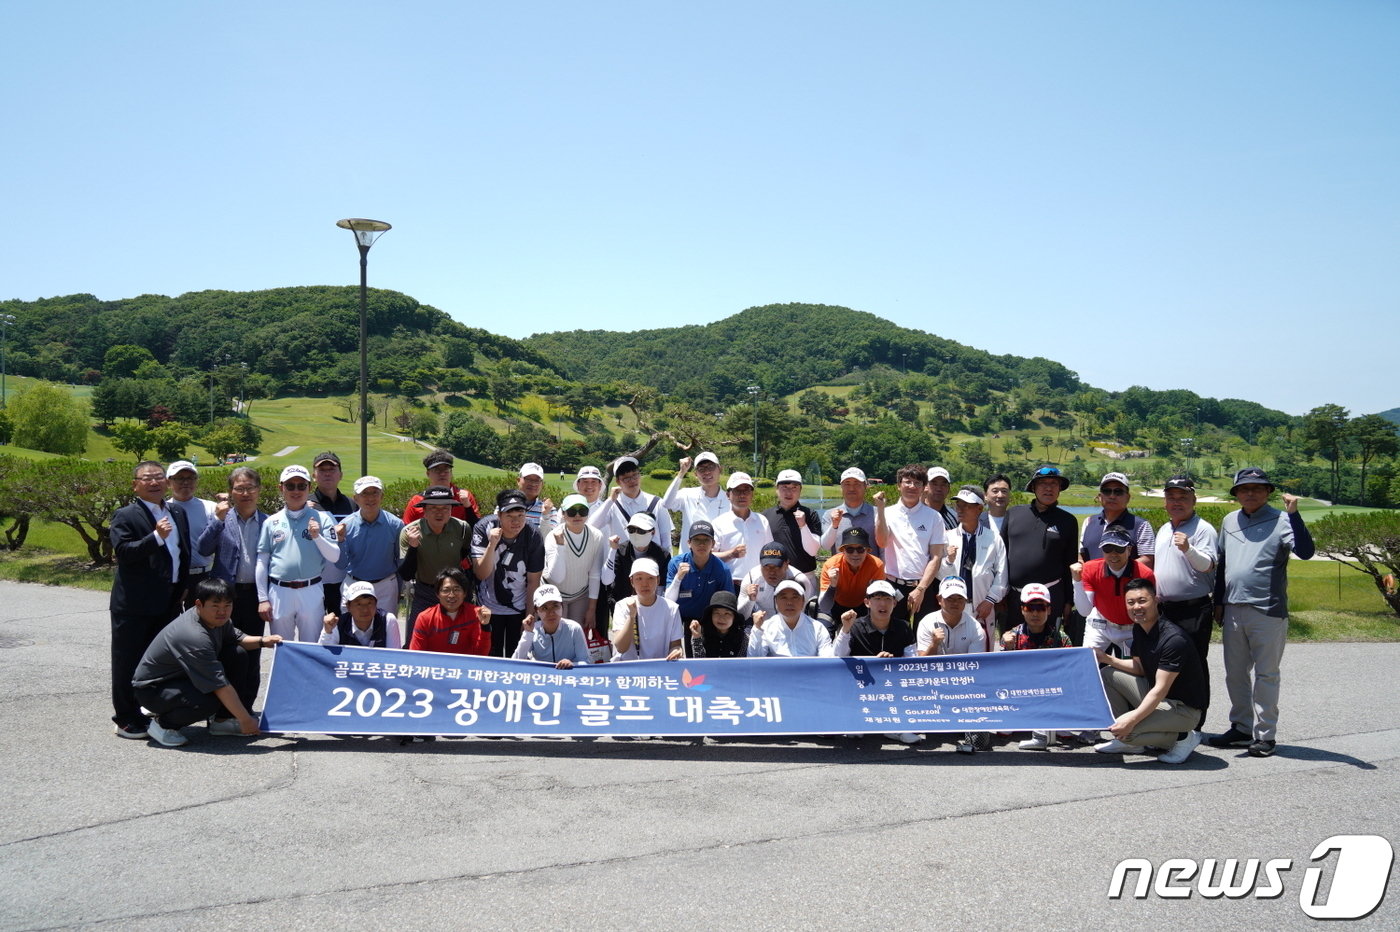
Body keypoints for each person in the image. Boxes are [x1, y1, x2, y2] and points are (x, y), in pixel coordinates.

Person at [1207, 467, 1315, 758]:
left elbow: (1305, 552)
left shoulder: (1282, 520)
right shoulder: (1229, 520)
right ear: (1237, 494)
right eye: (1244, 488)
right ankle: (1241, 728)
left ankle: (1265, 735)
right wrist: (1218, 603)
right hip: (1232, 608)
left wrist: (1293, 514)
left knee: (1266, 674)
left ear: (1268, 492)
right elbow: (1223, 564)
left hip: (1267, 609)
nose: (1250, 493)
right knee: (1235, 674)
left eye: (1257, 488)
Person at [132, 577, 282, 747]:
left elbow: (237, 637)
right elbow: (219, 685)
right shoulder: (194, 636)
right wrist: (245, 719)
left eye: (227, 605)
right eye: (215, 605)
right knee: (209, 702)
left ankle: (222, 721)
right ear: (199, 604)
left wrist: (264, 641)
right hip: (153, 689)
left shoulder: (217, 620)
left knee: (237, 653)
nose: (222, 611)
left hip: (183, 678)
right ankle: (163, 725)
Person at [109, 460, 191, 739]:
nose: (154, 482)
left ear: (166, 482)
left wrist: (182, 587)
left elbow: (182, 552)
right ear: (135, 485)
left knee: (159, 661)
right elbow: (124, 552)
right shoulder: (126, 515)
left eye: (158, 477)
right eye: (147, 478)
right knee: (127, 661)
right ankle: (125, 718)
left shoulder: (176, 512)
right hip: (134, 604)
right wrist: (156, 537)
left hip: (169, 600)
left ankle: (152, 709)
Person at [1093, 578, 1206, 764]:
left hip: (1184, 709)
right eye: (1131, 602)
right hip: (1162, 699)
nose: (1136, 607)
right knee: (1108, 673)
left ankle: (1184, 738)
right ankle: (1132, 742)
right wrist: (1107, 659)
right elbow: (1139, 668)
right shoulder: (1140, 628)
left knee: (1126, 732)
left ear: (1156, 600)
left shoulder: (1174, 639)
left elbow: (1160, 689)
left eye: (1142, 600)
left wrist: (1131, 720)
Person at [196, 466, 268, 705]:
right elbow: (203, 549)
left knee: (253, 652)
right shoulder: (221, 519)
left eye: (250, 488)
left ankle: (246, 708)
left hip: (255, 597)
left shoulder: (268, 522)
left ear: (259, 490)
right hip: (225, 598)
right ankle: (222, 710)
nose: (245, 493)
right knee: (225, 652)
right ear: (231, 492)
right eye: (239, 488)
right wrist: (217, 520)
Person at [1153, 475, 1218, 730]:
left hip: (1193, 609)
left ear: (1194, 500)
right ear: (1165, 502)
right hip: (1165, 610)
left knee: (1194, 668)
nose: (1176, 502)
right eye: (1171, 497)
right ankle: (1173, 722)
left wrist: (1188, 549)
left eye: (1183, 497)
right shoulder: (1164, 529)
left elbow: (1208, 565)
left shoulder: (1203, 529)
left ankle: (1196, 726)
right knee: (1168, 667)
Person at [256, 465, 341, 642]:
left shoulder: (323, 518)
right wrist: (263, 598)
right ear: (281, 488)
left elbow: (334, 556)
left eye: (301, 486)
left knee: (311, 646)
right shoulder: (271, 522)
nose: (296, 491)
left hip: (311, 590)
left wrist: (317, 537)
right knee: (281, 645)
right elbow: (262, 562)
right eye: (290, 486)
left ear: (309, 488)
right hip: (279, 591)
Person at [838, 579, 920, 744]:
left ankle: (900, 726)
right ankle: (857, 721)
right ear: (867, 602)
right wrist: (845, 630)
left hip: (892, 682)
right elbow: (837, 657)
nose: (883, 604)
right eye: (877, 599)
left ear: (895, 603)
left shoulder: (904, 627)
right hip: (862, 684)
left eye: (888, 599)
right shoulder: (855, 626)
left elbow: (912, 663)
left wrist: (892, 665)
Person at [1000, 465, 1078, 639]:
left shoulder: (1068, 521)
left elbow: (1070, 564)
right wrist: (1000, 594)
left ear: (1059, 489)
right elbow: (1000, 557)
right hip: (1015, 597)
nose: (1048, 488)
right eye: (1043, 483)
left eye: (1054, 483)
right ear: (1033, 487)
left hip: (1051, 598)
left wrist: (1068, 602)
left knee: (1050, 648)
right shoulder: (1013, 514)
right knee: (1012, 644)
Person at [916, 577, 991, 753]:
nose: (955, 603)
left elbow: (976, 669)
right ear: (939, 598)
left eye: (959, 599)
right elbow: (921, 665)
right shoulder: (927, 622)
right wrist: (934, 644)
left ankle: (970, 726)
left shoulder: (975, 627)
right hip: (934, 681)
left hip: (964, 682)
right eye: (950, 598)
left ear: (966, 601)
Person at [472, 489, 545, 657]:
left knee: (516, 657)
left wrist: (529, 615)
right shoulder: (484, 528)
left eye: (520, 515)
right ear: (499, 515)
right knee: (491, 656)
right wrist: (491, 545)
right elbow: (480, 573)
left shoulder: (533, 535)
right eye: (509, 516)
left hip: (518, 607)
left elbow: (534, 581)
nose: (516, 522)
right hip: (488, 607)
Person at [398, 486, 473, 644]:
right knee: (415, 639)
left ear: (451, 510)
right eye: (433, 508)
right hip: (425, 591)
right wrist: (413, 546)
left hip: (455, 592)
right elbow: (406, 573)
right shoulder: (409, 532)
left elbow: (465, 556)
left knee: (457, 640)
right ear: (424, 511)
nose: (439, 513)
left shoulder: (462, 529)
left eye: (445, 508)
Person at [1002, 583, 1072, 751]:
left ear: (1048, 610)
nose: (1035, 613)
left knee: (1066, 733)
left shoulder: (1061, 638)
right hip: (1020, 693)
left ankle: (1046, 725)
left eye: (1040, 608)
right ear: (1022, 609)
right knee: (1003, 731)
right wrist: (1008, 647)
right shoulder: (1012, 636)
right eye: (1030, 607)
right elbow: (1004, 674)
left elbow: (1070, 673)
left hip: (1051, 693)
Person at [937, 485, 1007, 650]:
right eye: (958, 505)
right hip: (953, 605)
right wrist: (948, 561)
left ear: (979, 509)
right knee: (951, 649)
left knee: (983, 652)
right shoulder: (948, 537)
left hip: (983, 606)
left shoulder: (993, 539)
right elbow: (939, 575)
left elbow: (1002, 574)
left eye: (967, 506)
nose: (960, 510)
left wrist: (990, 601)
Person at [874, 464, 946, 623]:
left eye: (917, 483)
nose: (912, 486)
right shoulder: (887, 513)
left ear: (924, 488)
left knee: (924, 634)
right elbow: (882, 542)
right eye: (907, 482)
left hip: (924, 586)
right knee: (895, 636)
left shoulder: (934, 517)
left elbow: (936, 557)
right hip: (894, 585)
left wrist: (921, 589)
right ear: (899, 485)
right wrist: (880, 509)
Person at [1072, 525, 1157, 659]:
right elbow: (1084, 611)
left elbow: (1149, 611)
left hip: (1133, 628)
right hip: (1100, 624)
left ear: (1129, 549)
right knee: (1087, 662)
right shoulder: (1090, 569)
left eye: (1119, 548)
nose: (1113, 554)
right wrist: (1077, 582)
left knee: (1135, 671)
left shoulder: (1144, 574)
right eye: (1107, 549)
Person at [336, 475, 404, 613]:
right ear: (356, 498)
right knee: (349, 630)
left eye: (375, 493)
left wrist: (400, 588)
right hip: (354, 584)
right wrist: (340, 540)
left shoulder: (396, 524)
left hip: (385, 585)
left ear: (382, 496)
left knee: (385, 629)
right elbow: (340, 564)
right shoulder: (345, 525)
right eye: (365, 493)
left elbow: (400, 561)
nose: (370, 498)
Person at [543, 493, 606, 635]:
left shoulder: (596, 536)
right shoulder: (553, 536)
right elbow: (556, 578)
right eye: (571, 512)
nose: (577, 516)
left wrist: (591, 609)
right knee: (556, 636)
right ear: (563, 514)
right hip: (554, 595)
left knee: (577, 635)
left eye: (582, 511)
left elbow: (595, 574)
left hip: (580, 595)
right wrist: (560, 546)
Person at [589, 456, 673, 554]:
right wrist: (610, 500)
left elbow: (666, 539)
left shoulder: (657, 502)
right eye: (626, 478)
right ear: (618, 481)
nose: (632, 481)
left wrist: (667, 566)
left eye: (635, 475)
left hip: (652, 563)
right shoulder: (613, 505)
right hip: (623, 563)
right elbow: (592, 527)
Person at [165, 459, 217, 609]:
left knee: (200, 625)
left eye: (190, 478)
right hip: (173, 576)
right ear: (169, 482)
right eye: (180, 478)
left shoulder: (211, 508)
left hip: (202, 576)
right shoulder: (162, 510)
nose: (186, 482)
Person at [665, 520, 733, 633]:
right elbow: (669, 600)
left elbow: (727, 604)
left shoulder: (722, 569)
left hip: (709, 622)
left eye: (706, 540)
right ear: (689, 543)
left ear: (713, 543)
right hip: (679, 620)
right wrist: (678, 578)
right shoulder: (676, 563)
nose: (702, 544)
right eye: (696, 540)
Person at [609, 558, 684, 661]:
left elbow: (676, 645)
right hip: (628, 669)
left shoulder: (671, 608)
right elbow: (621, 648)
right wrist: (631, 617)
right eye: (639, 578)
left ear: (658, 580)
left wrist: (677, 650)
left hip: (659, 668)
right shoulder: (622, 606)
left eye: (650, 578)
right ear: (632, 581)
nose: (645, 584)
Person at [310, 451, 356, 613]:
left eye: (332, 469)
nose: (327, 473)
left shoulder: (352, 505)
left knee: (343, 629)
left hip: (344, 579)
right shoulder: (305, 505)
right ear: (314, 475)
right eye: (322, 470)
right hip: (315, 581)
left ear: (340, 475)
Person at [815, 527, 886, 633]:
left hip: (862, 606)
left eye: (860, 549)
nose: (855, 554)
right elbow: (824, 606)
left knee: (866, 633)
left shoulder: (877, 565)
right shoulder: (831, 565)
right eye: (850, 549)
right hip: (834, 605)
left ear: (867, 550)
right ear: (843, 550)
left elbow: (877, 601)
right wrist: (832, 585)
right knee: (823, 631)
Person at [711, 471, 773, 592]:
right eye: (737, 491)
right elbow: (708, 556)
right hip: (728, 584)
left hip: (758, 584)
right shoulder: (718, 523)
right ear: (728, 495)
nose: (742, 495)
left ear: (752, 495)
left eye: (746, 491)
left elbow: (769, 553)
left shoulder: (762, 521)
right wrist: (731, 554)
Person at [747, 580, 841, 658]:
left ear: (803, 600)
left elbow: (827, 660)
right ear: (776, 601)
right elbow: (755, 660)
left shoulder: (817, 628)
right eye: (784, 597)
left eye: (795, 597)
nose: (789, 602)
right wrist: (757, 630)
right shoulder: (766, 627)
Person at [1080, 472, 1155, 568]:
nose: (1112, 496)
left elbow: (1147, 560)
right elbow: (1081, 556)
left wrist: (1112, 571)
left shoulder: (1142, 525)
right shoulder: (1089, 522)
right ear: (1099, 496)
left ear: (1128, 497)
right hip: (1092, 582)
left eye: (1118, 491)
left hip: (1126, 582)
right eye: (1107, 491)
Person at [409, 568, 491, 655]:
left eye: (456, 589)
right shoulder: (425, 618)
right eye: (446, 590)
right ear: (438, 594)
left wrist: (485, 626)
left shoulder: (477, 614)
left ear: (465, 593)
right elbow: (415, 655)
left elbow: (481, 654)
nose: (451, 595)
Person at [764, 468, 822, 587]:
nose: (789, 493)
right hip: (774, 577)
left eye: (794, 488)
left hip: (805, 576)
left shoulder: (810, 514)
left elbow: (813, 551)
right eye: (784, 487)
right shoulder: (765, 516)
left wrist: (803, 526)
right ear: (777, 489)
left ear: (800, 490)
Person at [514, 584, 591, 668]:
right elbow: (516, 662)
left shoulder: (574, 628)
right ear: (537, 610)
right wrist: (528, 633)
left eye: (555, 606)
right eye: (544, 608)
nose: (551, 613)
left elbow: (586, 662)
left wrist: (572, 664)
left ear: (562, 606)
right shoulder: (533, 630)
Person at [737, 542, 814, 622]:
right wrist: (750, 600)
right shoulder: (751, 578)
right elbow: (740, 617)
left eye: (777, 567)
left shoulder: (800, 581)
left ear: (787, 564)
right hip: (760, 625)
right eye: (766, 567)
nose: (772, 572)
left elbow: (801, 614)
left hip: (790, 624)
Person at [401, 449, 481, 527]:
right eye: (437, 470)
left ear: (451, 473)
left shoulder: (464, 497)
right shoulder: (417, 500)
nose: (442, 473)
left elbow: (477, 528)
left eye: (446, 470)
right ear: (428, 474)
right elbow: (406, 529)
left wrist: (468, 507)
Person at [661, 452, 728, 544]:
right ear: (696, 474)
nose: (707, 472)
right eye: (701, 469)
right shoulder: (687, 494)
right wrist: (681, 473)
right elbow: (666, 503)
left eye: (711, 467)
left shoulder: (729, 500)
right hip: (688, 556)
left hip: (719, 556)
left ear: (720, 469)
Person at [318, 579, 402, 649]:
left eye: (369, 603)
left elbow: (394, 656)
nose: (365, 609)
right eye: (358, 604)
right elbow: (324, 655)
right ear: (348, 607)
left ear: (376, 604)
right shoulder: (337, 624)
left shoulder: (388, 620)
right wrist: (327, 631)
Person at [819, 467, 881, 560]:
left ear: (865, 486)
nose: (851, 488)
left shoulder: (878, 513)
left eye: (857, 484)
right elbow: (826, 546)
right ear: (841, 487)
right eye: (847, 484)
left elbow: (884, 547)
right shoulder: (829, 515)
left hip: (872, 572)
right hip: (841, 572)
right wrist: (834, 525)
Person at [687, 590, 748, 659]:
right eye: (717, 613)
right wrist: (696, 637)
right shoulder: (701, 633)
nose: (721, 618)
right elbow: (699, 662)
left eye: (727, 613)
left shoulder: (743, 638)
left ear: (734, 617)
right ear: (711, 615)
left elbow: (741, 665)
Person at [516, 462, 557, 529]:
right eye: (528, 479)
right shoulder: (505, 506)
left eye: (537, 480)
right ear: (518, 480)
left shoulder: (550, 510)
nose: (533, 483)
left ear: (542, 484)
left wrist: (545, 515)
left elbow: (549, 538)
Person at [922, 466, 959, 531]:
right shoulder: (913, 513)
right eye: (934, 484)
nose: (939, 489)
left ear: (948, 488)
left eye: (943, 484)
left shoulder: (955, 517)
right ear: (925, 486)